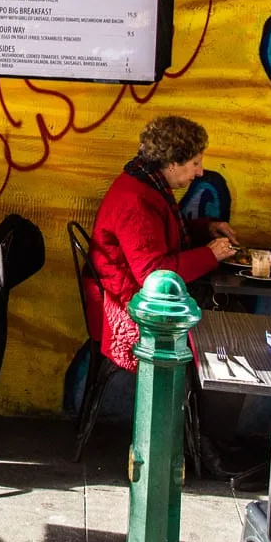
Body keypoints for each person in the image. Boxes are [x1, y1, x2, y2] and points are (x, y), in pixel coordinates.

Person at [89, 116, 236, 371]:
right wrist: (209, 255)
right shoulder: (137, 200)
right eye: (195, 163)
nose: (200, 172)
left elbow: (157, 235)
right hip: (132, 311)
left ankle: (201, 404)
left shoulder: (147, 183)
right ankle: (202, 403)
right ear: (171, 163)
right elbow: (154, 276)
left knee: (227, 315)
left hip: (134, 297)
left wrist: (206, 229)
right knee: (226, 331)